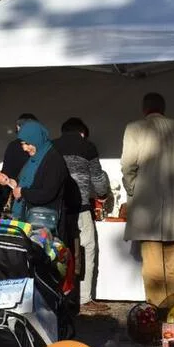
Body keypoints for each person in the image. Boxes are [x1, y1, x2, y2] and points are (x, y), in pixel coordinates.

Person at [121, 93, 174, 309]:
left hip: (147, 206)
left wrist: (133, 188)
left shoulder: (134, 128)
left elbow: (128, 165)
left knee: (153, 263)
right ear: (163, 108)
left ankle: (155, 312)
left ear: (144, 109)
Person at [53, 118, 110, 314]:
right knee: (87, 248)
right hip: (81, 207)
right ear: (83, 133)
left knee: (59, 251)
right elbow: (97, 178)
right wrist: (103, 193)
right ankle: (84, 298)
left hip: (57, 209)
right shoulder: (88, 147)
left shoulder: (51, 146)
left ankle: (58, 295)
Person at [0, 120, 69, 238]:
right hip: (28, 222)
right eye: (22, 144)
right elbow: (24, 185)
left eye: (27, 143)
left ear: (37, 139)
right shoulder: (34, 159)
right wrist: (9, 181)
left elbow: (48, 193)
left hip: (43, 226)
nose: (25, 148)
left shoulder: (53, 160)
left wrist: (23, 192)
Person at [0, 113, 37, 218]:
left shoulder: (14, 147)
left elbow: (5, 177)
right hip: (42, 206)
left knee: (21, 232)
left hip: (20, 203)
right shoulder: (46, 147)